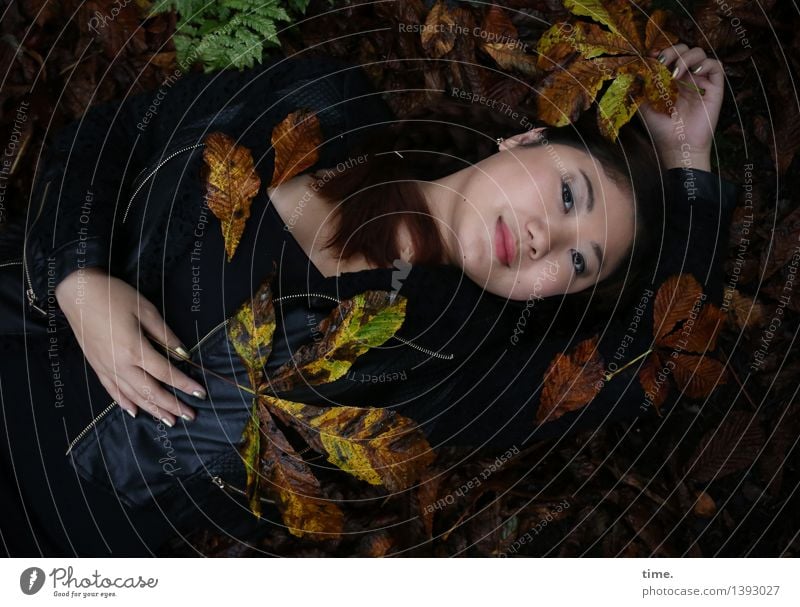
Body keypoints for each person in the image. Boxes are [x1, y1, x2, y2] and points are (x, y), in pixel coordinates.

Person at [0, 44, 737, 556]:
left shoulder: (448, 362)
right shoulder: (328, 102)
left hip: (42, 521)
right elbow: (109, 138)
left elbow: (656, 355)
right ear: (524, 140)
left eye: (579, 260)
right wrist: (76, 279)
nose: (548, 238)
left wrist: (688, 165)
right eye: (568, 193)